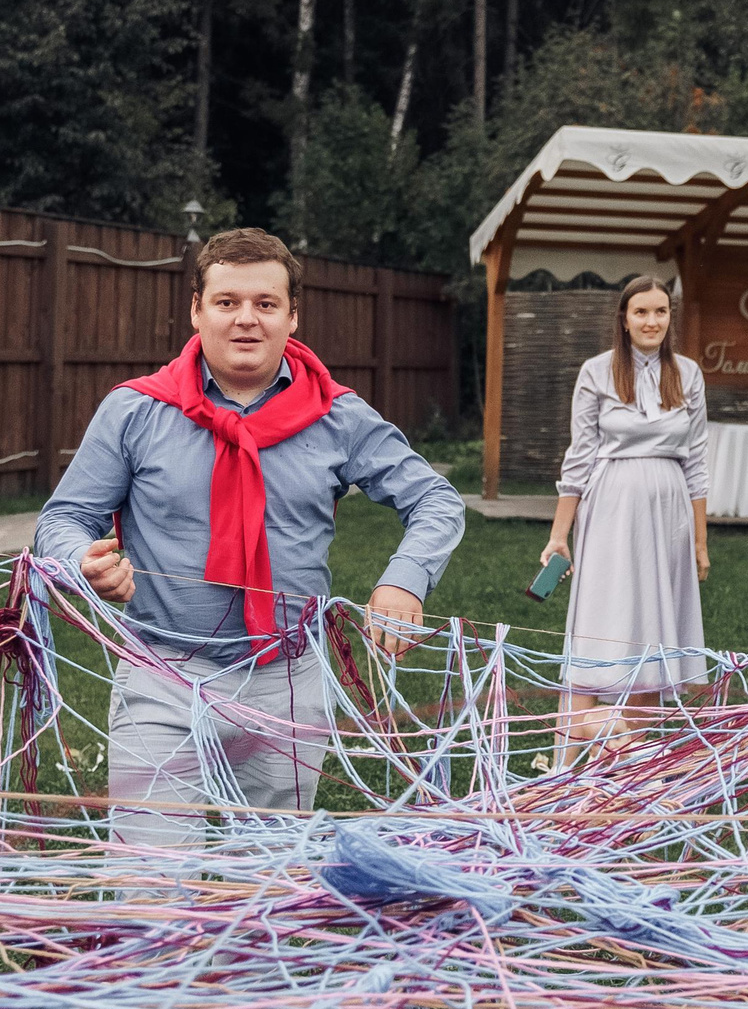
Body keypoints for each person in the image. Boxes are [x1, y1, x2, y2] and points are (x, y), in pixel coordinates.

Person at [35, 227, 465, 844]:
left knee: (270, 880)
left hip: (286, 680)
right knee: (150, 880)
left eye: (265, 304)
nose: (246, 320)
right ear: (196, 311)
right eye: (227, 302)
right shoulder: (134, 411)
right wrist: (82, 558)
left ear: (293, 317)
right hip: (161, 670)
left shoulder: (338, 416)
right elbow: (62, 519)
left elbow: (434, 499)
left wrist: (405, 582)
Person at [540, 275, 710, 765]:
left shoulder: (689, 375)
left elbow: (697, 459)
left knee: (653, 628)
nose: (652, 321)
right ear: (624, 318)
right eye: (642, 312)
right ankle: (572, 755)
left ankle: (632, 767)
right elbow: (579, 457)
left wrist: (700, 541)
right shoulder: (596, 372)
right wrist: (559, 535)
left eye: (661, 312)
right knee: (605, 620)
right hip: (611, 506)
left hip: (669, 511)